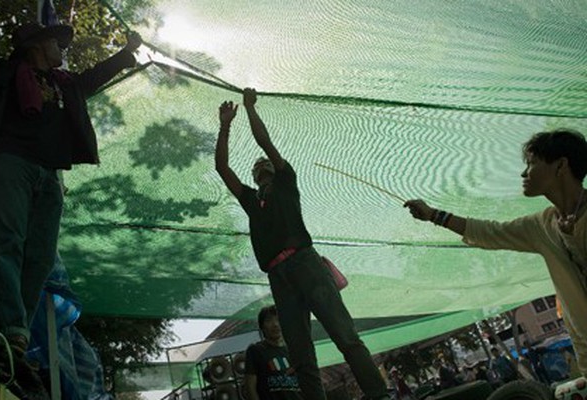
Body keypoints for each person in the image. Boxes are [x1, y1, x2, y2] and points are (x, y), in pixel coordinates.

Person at [0, 22, 142, 360]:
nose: (63, 49)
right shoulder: (1, 71)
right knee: (8, 241)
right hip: (11, 163)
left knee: (41, 255)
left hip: (50, 174)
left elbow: (94, 76)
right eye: (58, 42)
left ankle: (16, 327)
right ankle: (12, 326)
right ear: (37, 45)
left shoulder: (64, 84)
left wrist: (125, 54)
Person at [215, 88, 389, 400]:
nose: (260, 164)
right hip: (279, 278)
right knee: (301, 357)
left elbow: (264, 142)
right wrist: (225, 126)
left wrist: (250, 109)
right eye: (256, 166)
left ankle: (379, 395)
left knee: (345, 335)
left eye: (265, 162)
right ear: (254, 177)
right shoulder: (252, 200)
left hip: (306, 263)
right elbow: (222, 169)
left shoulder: (286, 182)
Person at [404, 128, 587, 377]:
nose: (524, 173)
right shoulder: (543, 225)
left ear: (561, 165)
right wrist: (434, 215)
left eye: (532, 163)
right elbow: (490, 232)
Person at [244, 305, 303, 400]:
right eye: (269, 320)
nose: (275, 324)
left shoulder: (293, 350)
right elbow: (250, 388)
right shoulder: (255, 350)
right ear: (262, 327)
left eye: (278, 319)